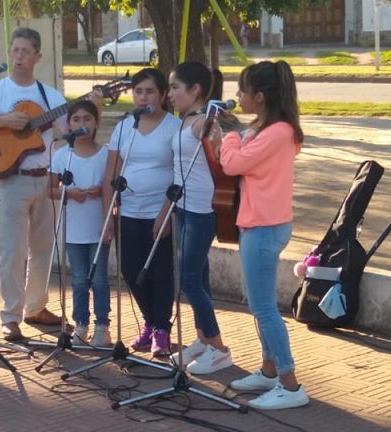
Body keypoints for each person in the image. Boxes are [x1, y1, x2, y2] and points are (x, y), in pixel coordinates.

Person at [0, 28, 66, 341]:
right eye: (15, 50)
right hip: (12, 180)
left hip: (46, 178)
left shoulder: (49, 95)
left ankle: (36, 307)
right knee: (12, 252)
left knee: (43, 250)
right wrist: (5, 121)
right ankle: (10, 316)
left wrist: (94, 104)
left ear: (37, 57)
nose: (18, 56)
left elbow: (72, 128)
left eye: (25, 51)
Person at [219, 61, 309, 410]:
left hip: (264, 226)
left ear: (259, 96)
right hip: (259, 223)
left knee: (264, 308)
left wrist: (229, 133)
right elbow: (242, 154)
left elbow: (233, 164)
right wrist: (236, 133)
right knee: (260, 304)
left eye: (242, 91)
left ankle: (290, 384)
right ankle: (270, 370)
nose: (237, 97)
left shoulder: (279, 132)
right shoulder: (267, 128)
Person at [102, 68, 181, 356]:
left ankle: (161, 328)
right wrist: (108, 216)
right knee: (131, 269)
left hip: (160, 212)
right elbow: (110, 175)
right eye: (138, 92)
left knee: (160, 272)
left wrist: (166, 213)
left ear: (163, 94)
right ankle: (149, 321)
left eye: (150, 91)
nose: (143, 97)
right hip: (128, 212)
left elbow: (179, 175)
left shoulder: (174, 127)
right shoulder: (126, 127)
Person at [161, 61, 232, 374]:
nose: (170, 93)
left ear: (195, 90)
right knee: (198, 277)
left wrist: (213, 131)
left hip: (202, 210)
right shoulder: (185, 119)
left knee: (188, 278)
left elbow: (218, 153)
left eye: (175, 87)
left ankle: (218, 347)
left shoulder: (203, 121)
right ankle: (203, 340)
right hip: (183, 206)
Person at [48, 100, 111, 347]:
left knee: (99, 278)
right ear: (68, 124)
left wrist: (101, 193)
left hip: (98, 226)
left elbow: (113, 191)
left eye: (87, 119)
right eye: (76, 119)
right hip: (73, 228)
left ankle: (102, 325)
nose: (82, 124)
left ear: (96, 123)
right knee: (79, 279)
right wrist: (70, 193)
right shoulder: (62, 155)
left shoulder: (106, 155)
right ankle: (81, 324)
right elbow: (50, 190)